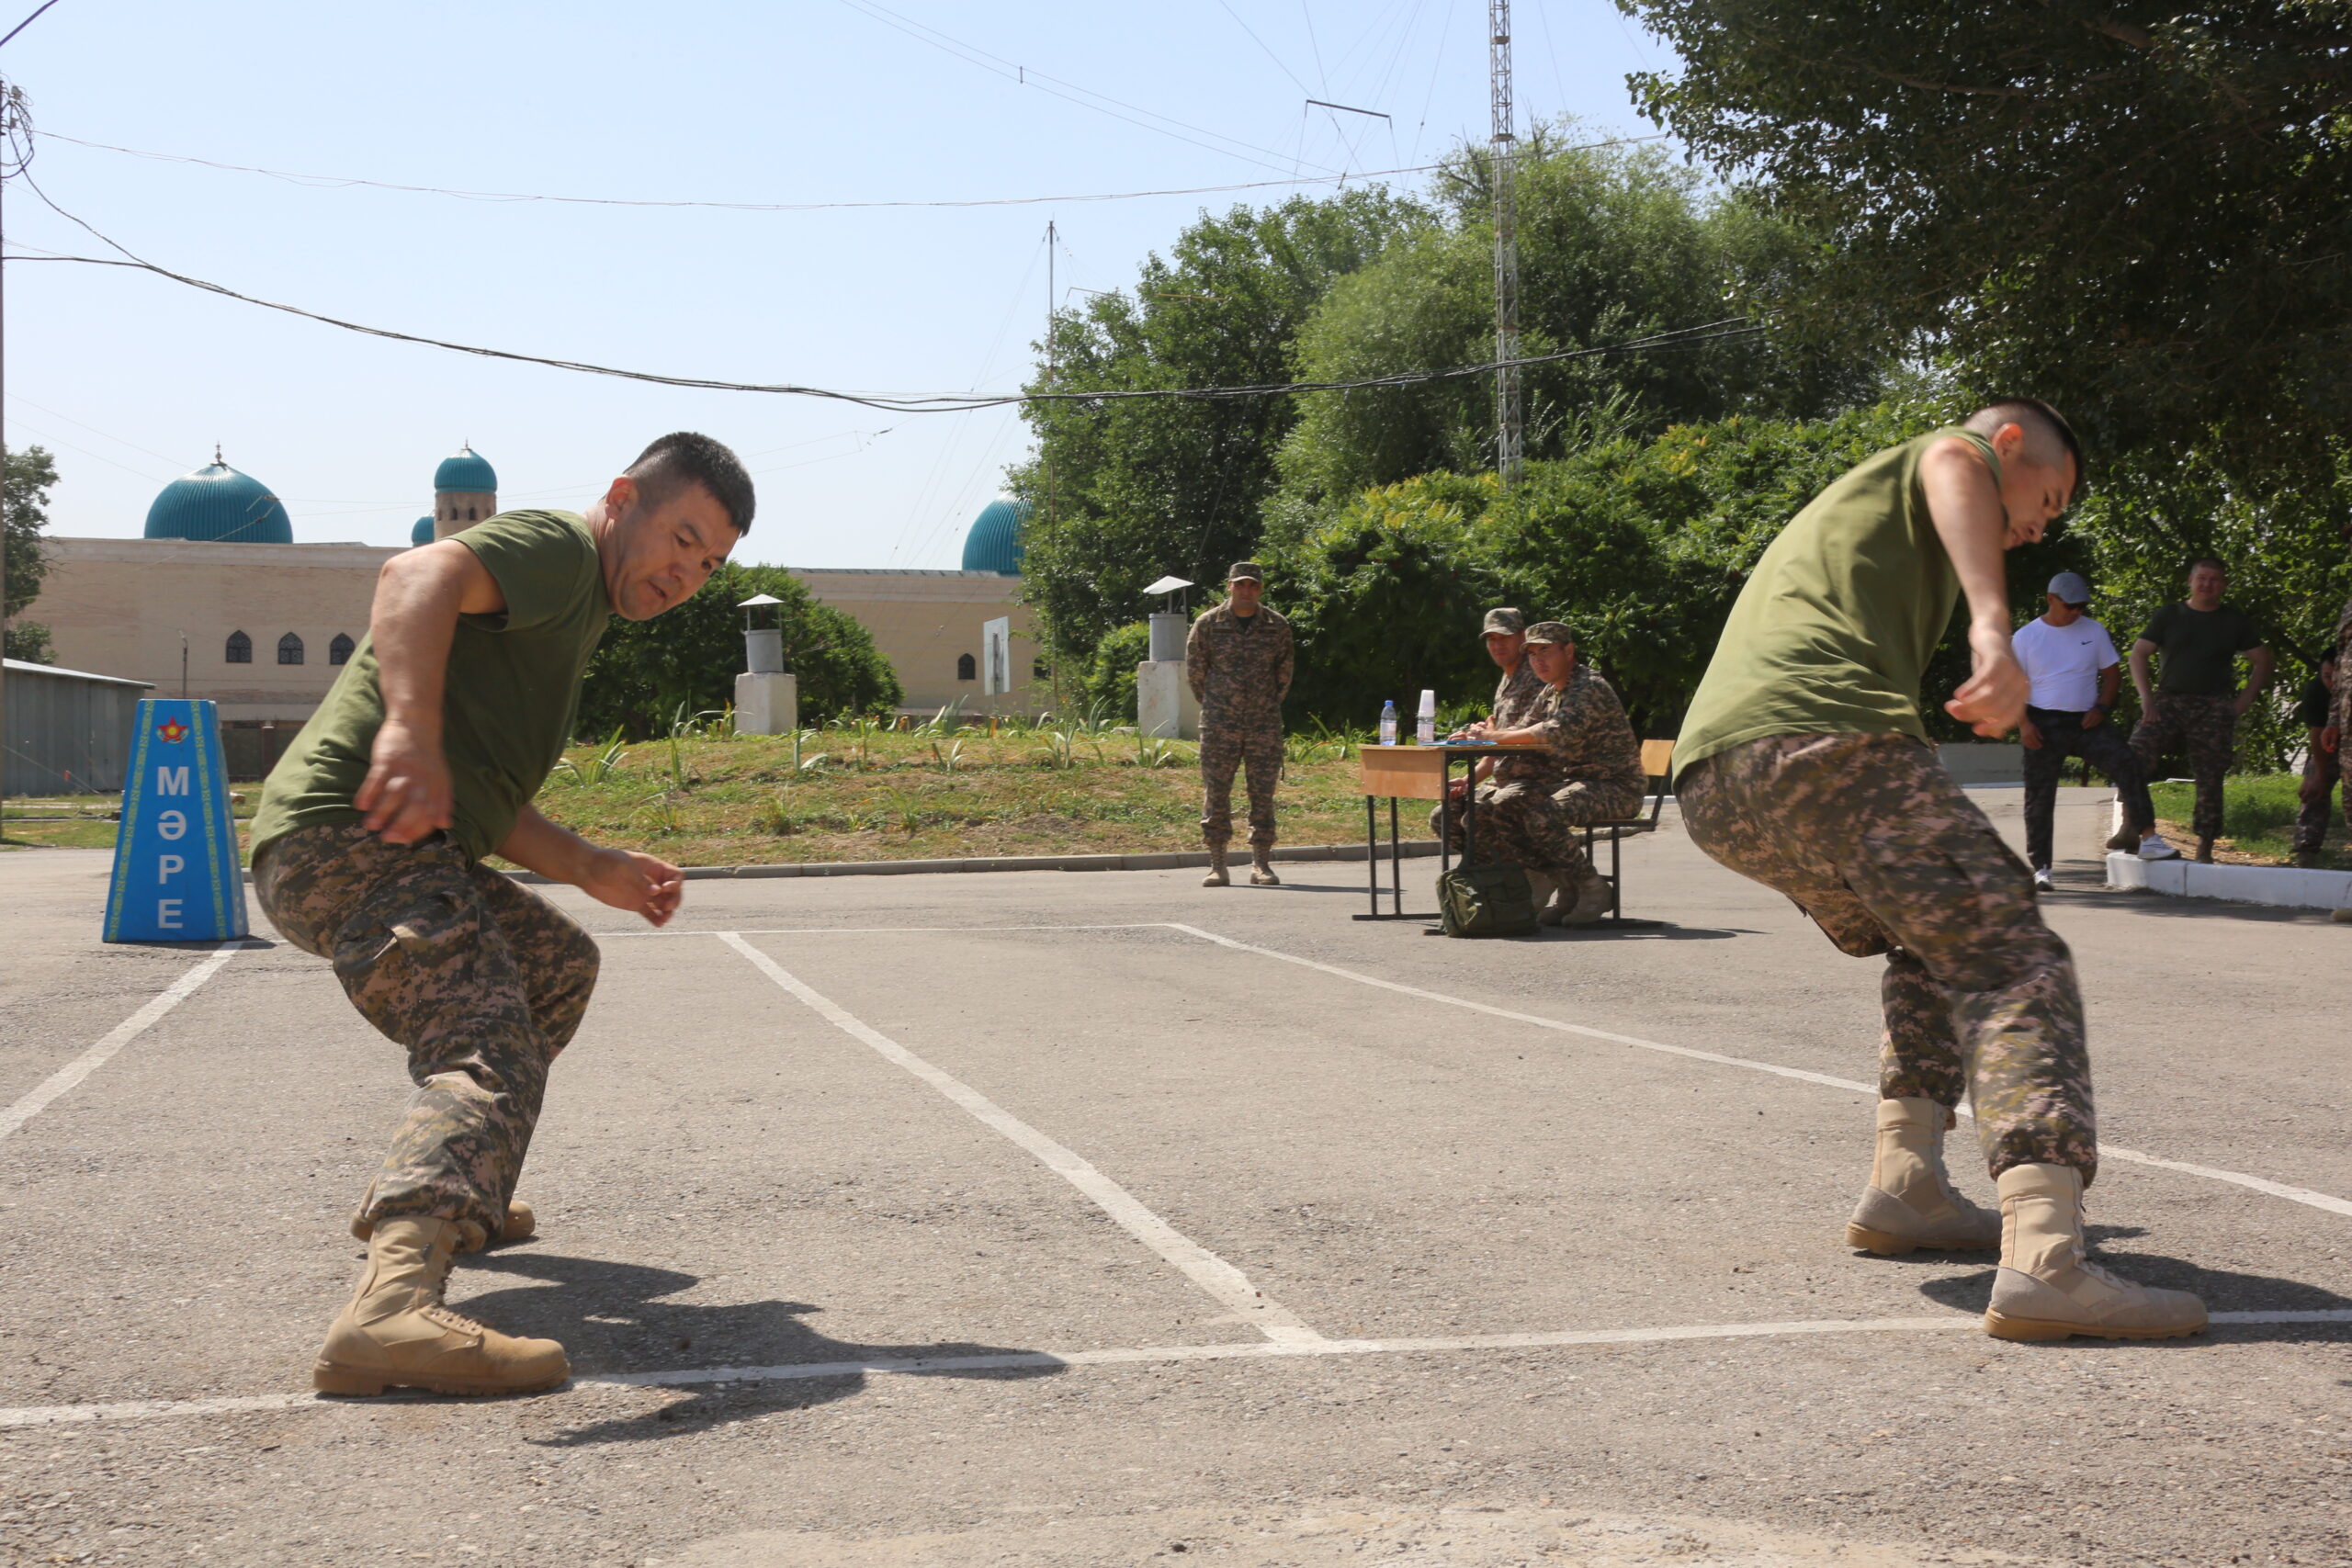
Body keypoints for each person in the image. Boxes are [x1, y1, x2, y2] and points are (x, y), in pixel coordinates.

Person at [1672, 399, 2205, 1342]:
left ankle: (1906, 1180)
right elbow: (1954, 466)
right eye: (2048, 493)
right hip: (1821, 741)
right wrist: (1992, 631)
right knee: (2011, 954)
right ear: (2007, 449)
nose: (2046, 523)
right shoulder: (1951, 455)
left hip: (1721, 785)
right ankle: (2047, 1259)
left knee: (1932, 943)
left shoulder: (1870, 514)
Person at [249, 432, 756, 1396]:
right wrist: (405, 725)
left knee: (554, 967)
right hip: (347, 833)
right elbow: (416, 572)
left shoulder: (578, 612)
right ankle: (389, 1310)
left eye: (710, 563)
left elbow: (482, 792)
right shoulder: (563, 552)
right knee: (485, 1035)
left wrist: (588, 863)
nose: (686, 572)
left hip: (398, 839)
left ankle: (465, 1181)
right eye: (681, 538)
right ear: (624, 498)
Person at [2012, 570, 2158, 890]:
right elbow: (2013, 686)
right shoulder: (2026, 637)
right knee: (2039, 795)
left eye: (2082, 606)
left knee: (2127, 762)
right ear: (2052, 600)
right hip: (2042, 721)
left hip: (2087, 721)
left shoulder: (2094, 630)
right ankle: (2041, 868)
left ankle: (2149, 838)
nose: (2077, 611)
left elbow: (2112, 676)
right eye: (2071, 606)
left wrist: (2101, 708)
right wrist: (2024, 724)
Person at [2127, 558, 2272, 863]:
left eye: (2214, 579)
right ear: (2190, 581)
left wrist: (2243, 701)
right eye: (2202, 578)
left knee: (2210, 776)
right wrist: (2146, 698)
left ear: (2224, 584)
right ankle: (2132, 825)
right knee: (2134, 757)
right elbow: (2138, 654)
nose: (2207, 585)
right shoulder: (2170, 614)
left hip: (2213, 705)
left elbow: (2262, 660)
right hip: (2168, 699)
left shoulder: (2234, 621)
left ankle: (2205, 845)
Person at [1186, 560, 1294, 886]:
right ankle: (1217, 864)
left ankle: (1261, 864)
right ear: (1229, 586)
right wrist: (1219, 703)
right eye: (1241, 584)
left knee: (1262, 794)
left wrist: (1263, 705)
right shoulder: (1208, 624)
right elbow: (1195, 672)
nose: (1247, 591)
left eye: (1254, 586)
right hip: (1220, 723)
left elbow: (1284, 674)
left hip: (1263, 724)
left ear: (1260, 589)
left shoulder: (1276, 625)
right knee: (1216, 793)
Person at [2293, 647, 2338, 867]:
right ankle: (2306, 851)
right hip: (2328, 742)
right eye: (2327, 676)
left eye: (2337, 677)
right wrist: (2319, 773)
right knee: (2313, 789)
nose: (2331, 683)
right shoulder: (2316, 690)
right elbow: (2317, 732)